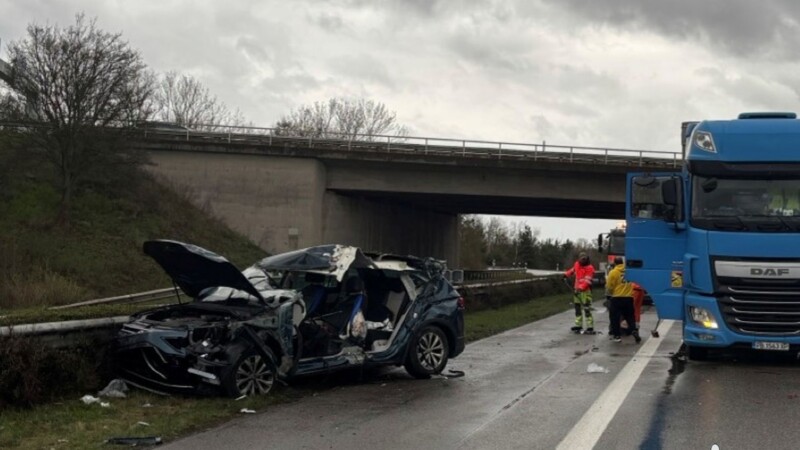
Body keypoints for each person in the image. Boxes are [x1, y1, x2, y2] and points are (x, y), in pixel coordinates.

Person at [606, 256, 641, 343]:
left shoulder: (613, 272)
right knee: (630, 317)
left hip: (617, 298)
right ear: (622, 262)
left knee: (615, 318)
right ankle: (633, 330)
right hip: (628, 298)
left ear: (615, 263)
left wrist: (611, 292)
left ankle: (617, 336)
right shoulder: (629, 271)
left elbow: (609, 286)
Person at [564, 252, 596, 334]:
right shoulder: (577, 264)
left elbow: (587, 281)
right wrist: (566, 275)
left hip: (585, 292)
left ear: (587, 259)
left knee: (587, 309)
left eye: (584, 259)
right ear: (579, 259)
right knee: (577, 309)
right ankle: (578, 325)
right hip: (576, 290)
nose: (583, 260)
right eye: (581, 259)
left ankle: (590, 327)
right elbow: (572, 270)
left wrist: (581, 288)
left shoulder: (590, 268)